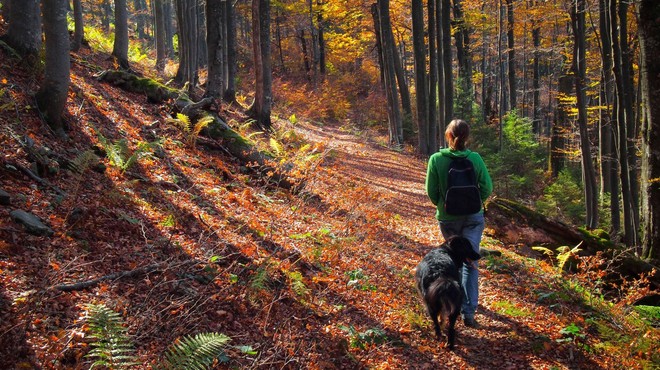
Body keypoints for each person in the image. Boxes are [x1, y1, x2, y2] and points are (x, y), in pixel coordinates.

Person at [425, 119, 493, 327]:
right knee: (471, 263)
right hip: (473, 217)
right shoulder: (475, 158)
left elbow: (431, 191)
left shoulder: (436, 159)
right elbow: (487, 188)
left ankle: (451, 304)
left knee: (455, 260)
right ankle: (469, 312)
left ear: (448, 136)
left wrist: (444, 205)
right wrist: (474, 203)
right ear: (467, 137)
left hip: (448, 219)